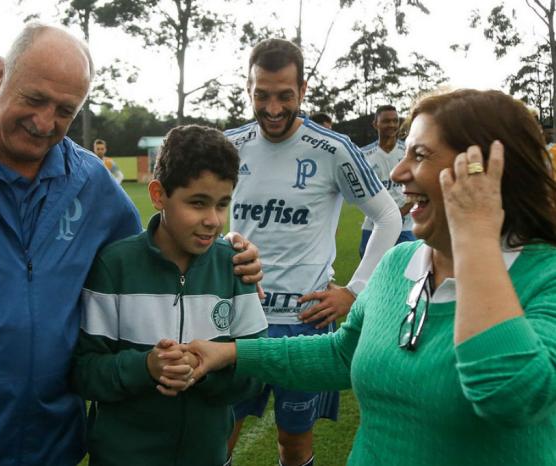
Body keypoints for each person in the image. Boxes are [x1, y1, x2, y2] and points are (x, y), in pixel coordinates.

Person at [0, 24, 262, 466]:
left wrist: (227, 257)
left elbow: (157, 248)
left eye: (65, 110)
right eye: (34, 99)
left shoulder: (92, 185)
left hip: (55, 449)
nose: (45, 122)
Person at [188, 89, 556, 466]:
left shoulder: (546, 277)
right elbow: (342, 353)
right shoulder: (400, 263)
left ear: (482, 171)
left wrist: (476, 236)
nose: (397, 173)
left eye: (420, 155)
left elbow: (509, 397)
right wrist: (231, 353)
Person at [224, 39, 401, 466]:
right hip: (237, 318)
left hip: (304, 326)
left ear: (302, 90)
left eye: (284, 95)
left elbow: (389, 217)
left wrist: (355, 291)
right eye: (261, 94)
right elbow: (202, 214)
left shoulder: (333, 148)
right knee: (216, 437)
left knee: (294, 442)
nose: (272, 107)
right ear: (248, 90)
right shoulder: (227, 146)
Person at [70, 125, 268, 466]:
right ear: (159, 195)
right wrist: (146, 366)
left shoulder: (235, 268)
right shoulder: (113, 266)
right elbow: (85, 372)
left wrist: (205, 369)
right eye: (197, 203)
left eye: (222, 204)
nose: (212, 220)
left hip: (205, 455)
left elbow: (259, 367)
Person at [359, 105, 415, 257]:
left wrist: (399, 213)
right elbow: (359, 192)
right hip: (374, 224)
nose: (391, 125)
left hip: (405, 226)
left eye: (395, 121)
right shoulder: (363, 155)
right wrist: (382, 215)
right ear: (375, 124)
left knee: (406, 272)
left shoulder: (409, 152)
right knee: (369, 274)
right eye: (386, 121)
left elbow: (418, 187)